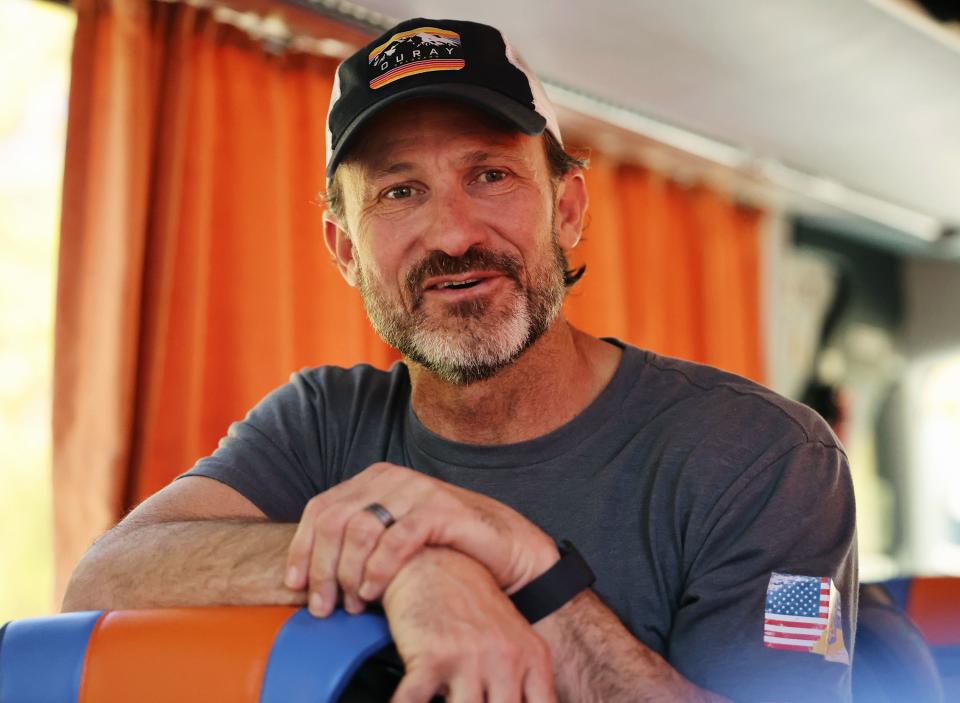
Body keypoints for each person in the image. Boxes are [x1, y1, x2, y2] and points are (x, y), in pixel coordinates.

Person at [63, 17, 858, 703]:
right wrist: (419, 564)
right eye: (399, 192)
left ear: (568, 207)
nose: (453, 234)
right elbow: (106, 576)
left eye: (491, 175)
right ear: (345, 248)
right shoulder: (320, 423)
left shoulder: (767, 457)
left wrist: (527, 566)